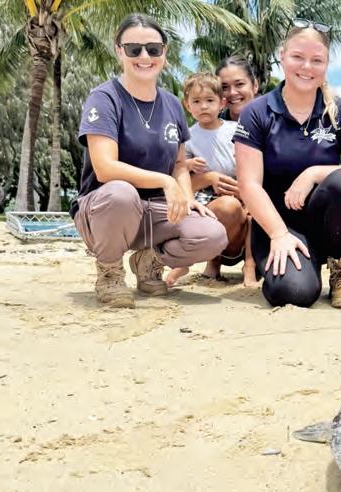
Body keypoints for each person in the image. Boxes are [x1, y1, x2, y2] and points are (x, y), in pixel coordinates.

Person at [72, 13, 227, 308]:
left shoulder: (171, 103)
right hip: (106, 208)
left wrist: (186, 197)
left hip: (155, 210)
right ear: (119, 51)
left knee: (212, 234)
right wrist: (164, 181)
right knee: (121, 193)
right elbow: (104, 168)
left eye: (153, 49)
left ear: (164, 52)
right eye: (134, 49)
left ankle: (149, 260)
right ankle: (110, 273)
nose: (145, 57)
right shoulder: (104, 98)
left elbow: (179, 164)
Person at [232, 20, 341, 309]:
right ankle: (291, 269)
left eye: (317, 60)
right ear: (282, 56)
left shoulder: (340, 111)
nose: (307, 67)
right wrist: (278, 234)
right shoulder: (256, 112)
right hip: (277, 225)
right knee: (296, 293)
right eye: (298, 57)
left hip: (326, 226)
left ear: (326, 64)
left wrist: (314, 173)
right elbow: (249, 184)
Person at [168, 72, 256, 288]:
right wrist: (188, 165)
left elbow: (251, 161)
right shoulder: (187, 138)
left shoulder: (235, 130)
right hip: (207, 198)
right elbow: (179, 173)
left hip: (241, 190)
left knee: (254, 213)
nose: (204, 107)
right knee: (222, 208)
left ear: (222, 103)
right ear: (187, 105)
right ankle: (204, 263)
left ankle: (250, 267)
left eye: (209, 100)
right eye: (196, 102)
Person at [216, 56, 260, 123]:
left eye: (239, 84)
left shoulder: (274, 122)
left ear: (255, 85)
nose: (232, 92)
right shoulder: (212, 125)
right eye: (224, 87)